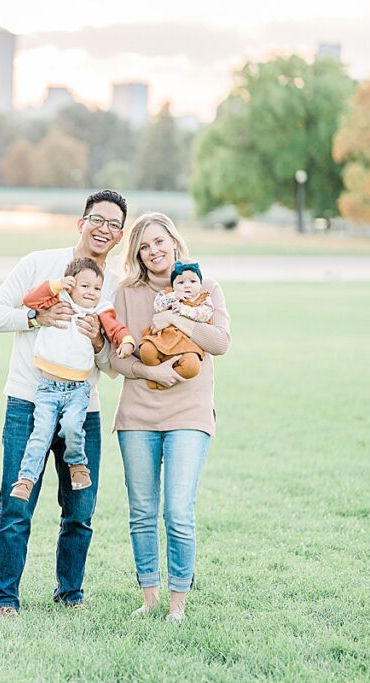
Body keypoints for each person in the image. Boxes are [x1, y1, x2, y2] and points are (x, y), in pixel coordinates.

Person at [0, 189, 128, 617]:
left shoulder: (115, 286)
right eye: (97, 220)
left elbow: (113, 366)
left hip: (84, 408)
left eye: (113, 225)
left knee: (80, 510)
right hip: (28, 402)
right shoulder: (38, 264)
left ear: (119, 235)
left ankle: (70, 594)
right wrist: (35, 317)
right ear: (81, 223)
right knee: (16, 505)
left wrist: (100, 342)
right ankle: (4, 598)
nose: (104, 229)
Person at [108, 212, 231, 623]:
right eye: (144, 246)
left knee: (178, 510)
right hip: (138, 415)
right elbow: (112, 358)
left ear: (175, 241)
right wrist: (149, 371)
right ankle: (150, 599)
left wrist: (177, 317)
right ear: (137, 254)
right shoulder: (127, 293)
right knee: (142, 511)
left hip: (189, 414)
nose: (153, 251)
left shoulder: (205, 288)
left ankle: (178, 604)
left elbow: (220, 342)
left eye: (159, 241)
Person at [10, 257, 136, 501]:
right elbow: (30, 301)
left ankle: (77, 465)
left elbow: (115, 328)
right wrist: (56, 284)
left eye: (97, 288)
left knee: (72, 428)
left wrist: (127, 341)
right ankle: (26, 480)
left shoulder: (100, 310)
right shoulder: (58, 301)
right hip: (47, 388)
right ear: (71, 287)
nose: (92, 292)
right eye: (85, 286)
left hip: (78, 389)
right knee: (41, 434)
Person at [138, 260, 215, 391]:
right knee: (146, 351)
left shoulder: (203, 300)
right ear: (173, 285)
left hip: (187, 344)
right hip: (164, 338)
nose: (187, 286)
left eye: (193, 281)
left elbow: (204, 315)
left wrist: (183, 310)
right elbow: (158, 306)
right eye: (181, 282)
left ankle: (163, 382)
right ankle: (157, 373)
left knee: (192, 367)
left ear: (200, 284)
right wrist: (174, 296)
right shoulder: (169, 295)